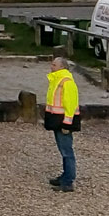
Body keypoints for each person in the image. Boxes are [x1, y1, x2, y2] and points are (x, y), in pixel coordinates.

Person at [44, 56, 81, 192]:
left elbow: (70, 103)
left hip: (62, 121)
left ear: (62, 67)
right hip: (57, 119)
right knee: (64, 150)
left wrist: (67, 123)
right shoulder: (57, 79)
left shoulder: (65, 81)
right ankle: (66, 176)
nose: (51, 66)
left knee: (66, 151)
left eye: (54, 64)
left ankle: (68, 181)